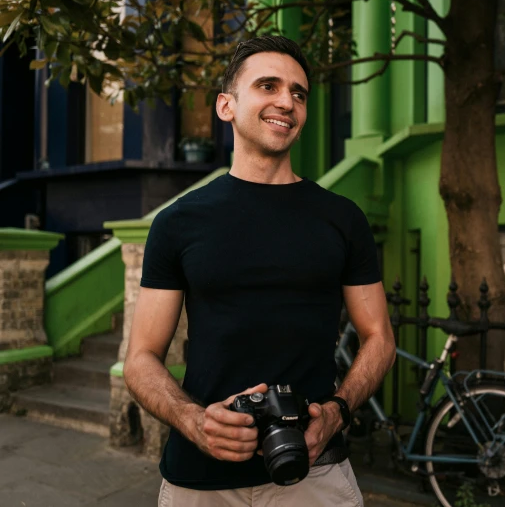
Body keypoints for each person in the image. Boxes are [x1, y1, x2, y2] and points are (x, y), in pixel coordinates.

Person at [123, 35, 397, 507]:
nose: (286, 102)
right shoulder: (177, 223)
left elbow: (380, 338)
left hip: (315, 473)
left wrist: (336, 412)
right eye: (268, 86)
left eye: (298, 93)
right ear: (226, 106)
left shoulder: (342, 218)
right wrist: (194, 421)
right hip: (200, 476)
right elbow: (141, 357)